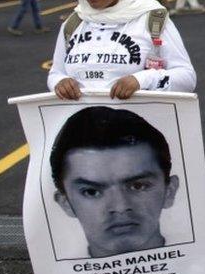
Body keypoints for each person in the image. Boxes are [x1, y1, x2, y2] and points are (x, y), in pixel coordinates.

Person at [46, 0, 201, 274]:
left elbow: (186, 76)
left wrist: (142, 78)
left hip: (147, 141)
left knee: (172, 221)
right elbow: (56, 71)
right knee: (116, 226)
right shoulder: (74, 23)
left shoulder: (152, 18)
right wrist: (58, 84)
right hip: (91, 147)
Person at [50, 106, 179, 258]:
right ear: (66, 203)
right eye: (92, 192)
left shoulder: (203, 267)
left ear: (169, 191)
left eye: (138, 186)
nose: (120, 207)